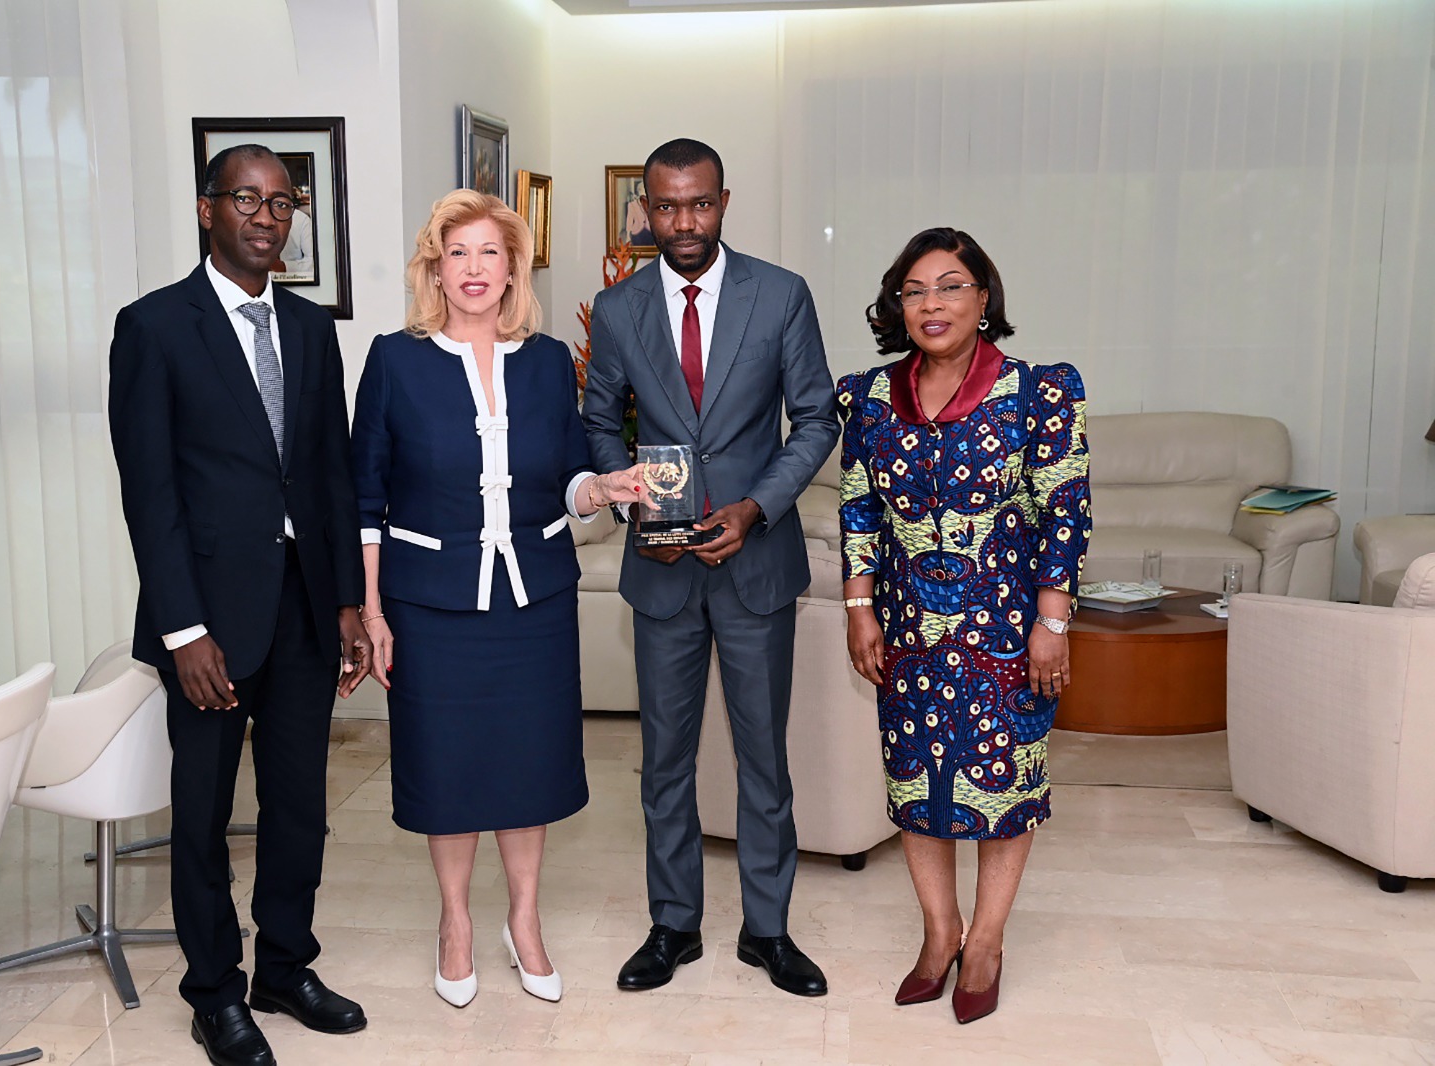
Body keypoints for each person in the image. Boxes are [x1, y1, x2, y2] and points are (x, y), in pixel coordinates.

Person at [109, 144, 372, 1066]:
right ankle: (214, 992)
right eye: (246, 199)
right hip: (208, 624)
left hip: (305, 609)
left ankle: (285, 968)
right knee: (204, 815)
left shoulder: (308, 326)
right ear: (206, 209)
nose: (267, 217)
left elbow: (330, 474)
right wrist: (184, 629)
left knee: (299, 806)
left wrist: (346, 602)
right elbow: (150, 494)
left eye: (282, 202)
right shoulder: (154, 327)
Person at [350, 190, 643, 1009]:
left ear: (513, 268)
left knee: (529, 764)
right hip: (429, 606)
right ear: (435, 269)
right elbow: (364, 499)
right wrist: (372, 613)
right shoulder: (394, 360)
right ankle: (455, 923)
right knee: (446, 768)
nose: (474, 269)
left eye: (490, 252)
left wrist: (600, 489)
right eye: (458, 253)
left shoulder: (546, 362)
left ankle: (524, 919)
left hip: (533, 600)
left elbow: (570, 476)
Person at [581, 139, 840, 998]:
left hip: (755, 562)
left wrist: (756, 507)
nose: (684, 222)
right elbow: (598, 421)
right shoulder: (617, 309)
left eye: (698, 204)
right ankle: (673, 925)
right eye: (666, 207)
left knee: (764, 757)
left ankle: (768, 932)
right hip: (661, 571)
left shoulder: (781, 294)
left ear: (724, 202)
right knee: (665, 760)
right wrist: (629, 496)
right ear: (646, 212)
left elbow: (815, 419)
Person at [838, 227, 1091, 1024]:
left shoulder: (1037, 393)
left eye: (950, 285)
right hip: (907, 631)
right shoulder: (870, 399)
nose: (932, 303)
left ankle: (985, 942)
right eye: (914, 290)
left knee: (1002, 785)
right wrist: (858, 607)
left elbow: (1064, 514)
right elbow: (858, 509)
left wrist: (1053, 621)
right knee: (917, 781)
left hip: (1007, 631)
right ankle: (939, 932)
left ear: (983, 298)